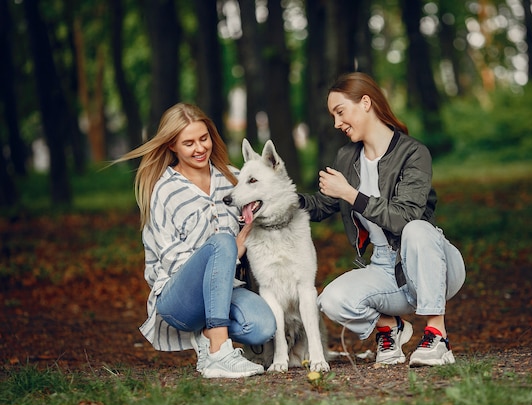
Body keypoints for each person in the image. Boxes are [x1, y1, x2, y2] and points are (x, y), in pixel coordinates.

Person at [299, 72, 465, 366]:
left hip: (430, 261)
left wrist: (352, 194)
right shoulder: (346, 158)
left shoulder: (413, 153)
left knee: (417, 229)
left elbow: (405, 218)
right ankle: (391, 327)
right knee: (331, 300)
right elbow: (323, 205)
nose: (336, 123)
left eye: (340, 112)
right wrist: (277, 196)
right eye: (333, 116)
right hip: (385, 269)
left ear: (365, 102)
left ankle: (437, 336)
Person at [114, 103, 276, 378]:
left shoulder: (233, 178)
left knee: (261, 326)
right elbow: (174, 261)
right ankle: (218, 352)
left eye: (204, 138)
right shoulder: (164, 190)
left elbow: (271, 201)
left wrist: (247, 235)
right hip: (179, 298)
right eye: (188, 143)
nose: (200, 148)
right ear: (172, 147)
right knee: (222, 241)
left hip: (227, 289)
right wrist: (230, 250)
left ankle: (207, 336)